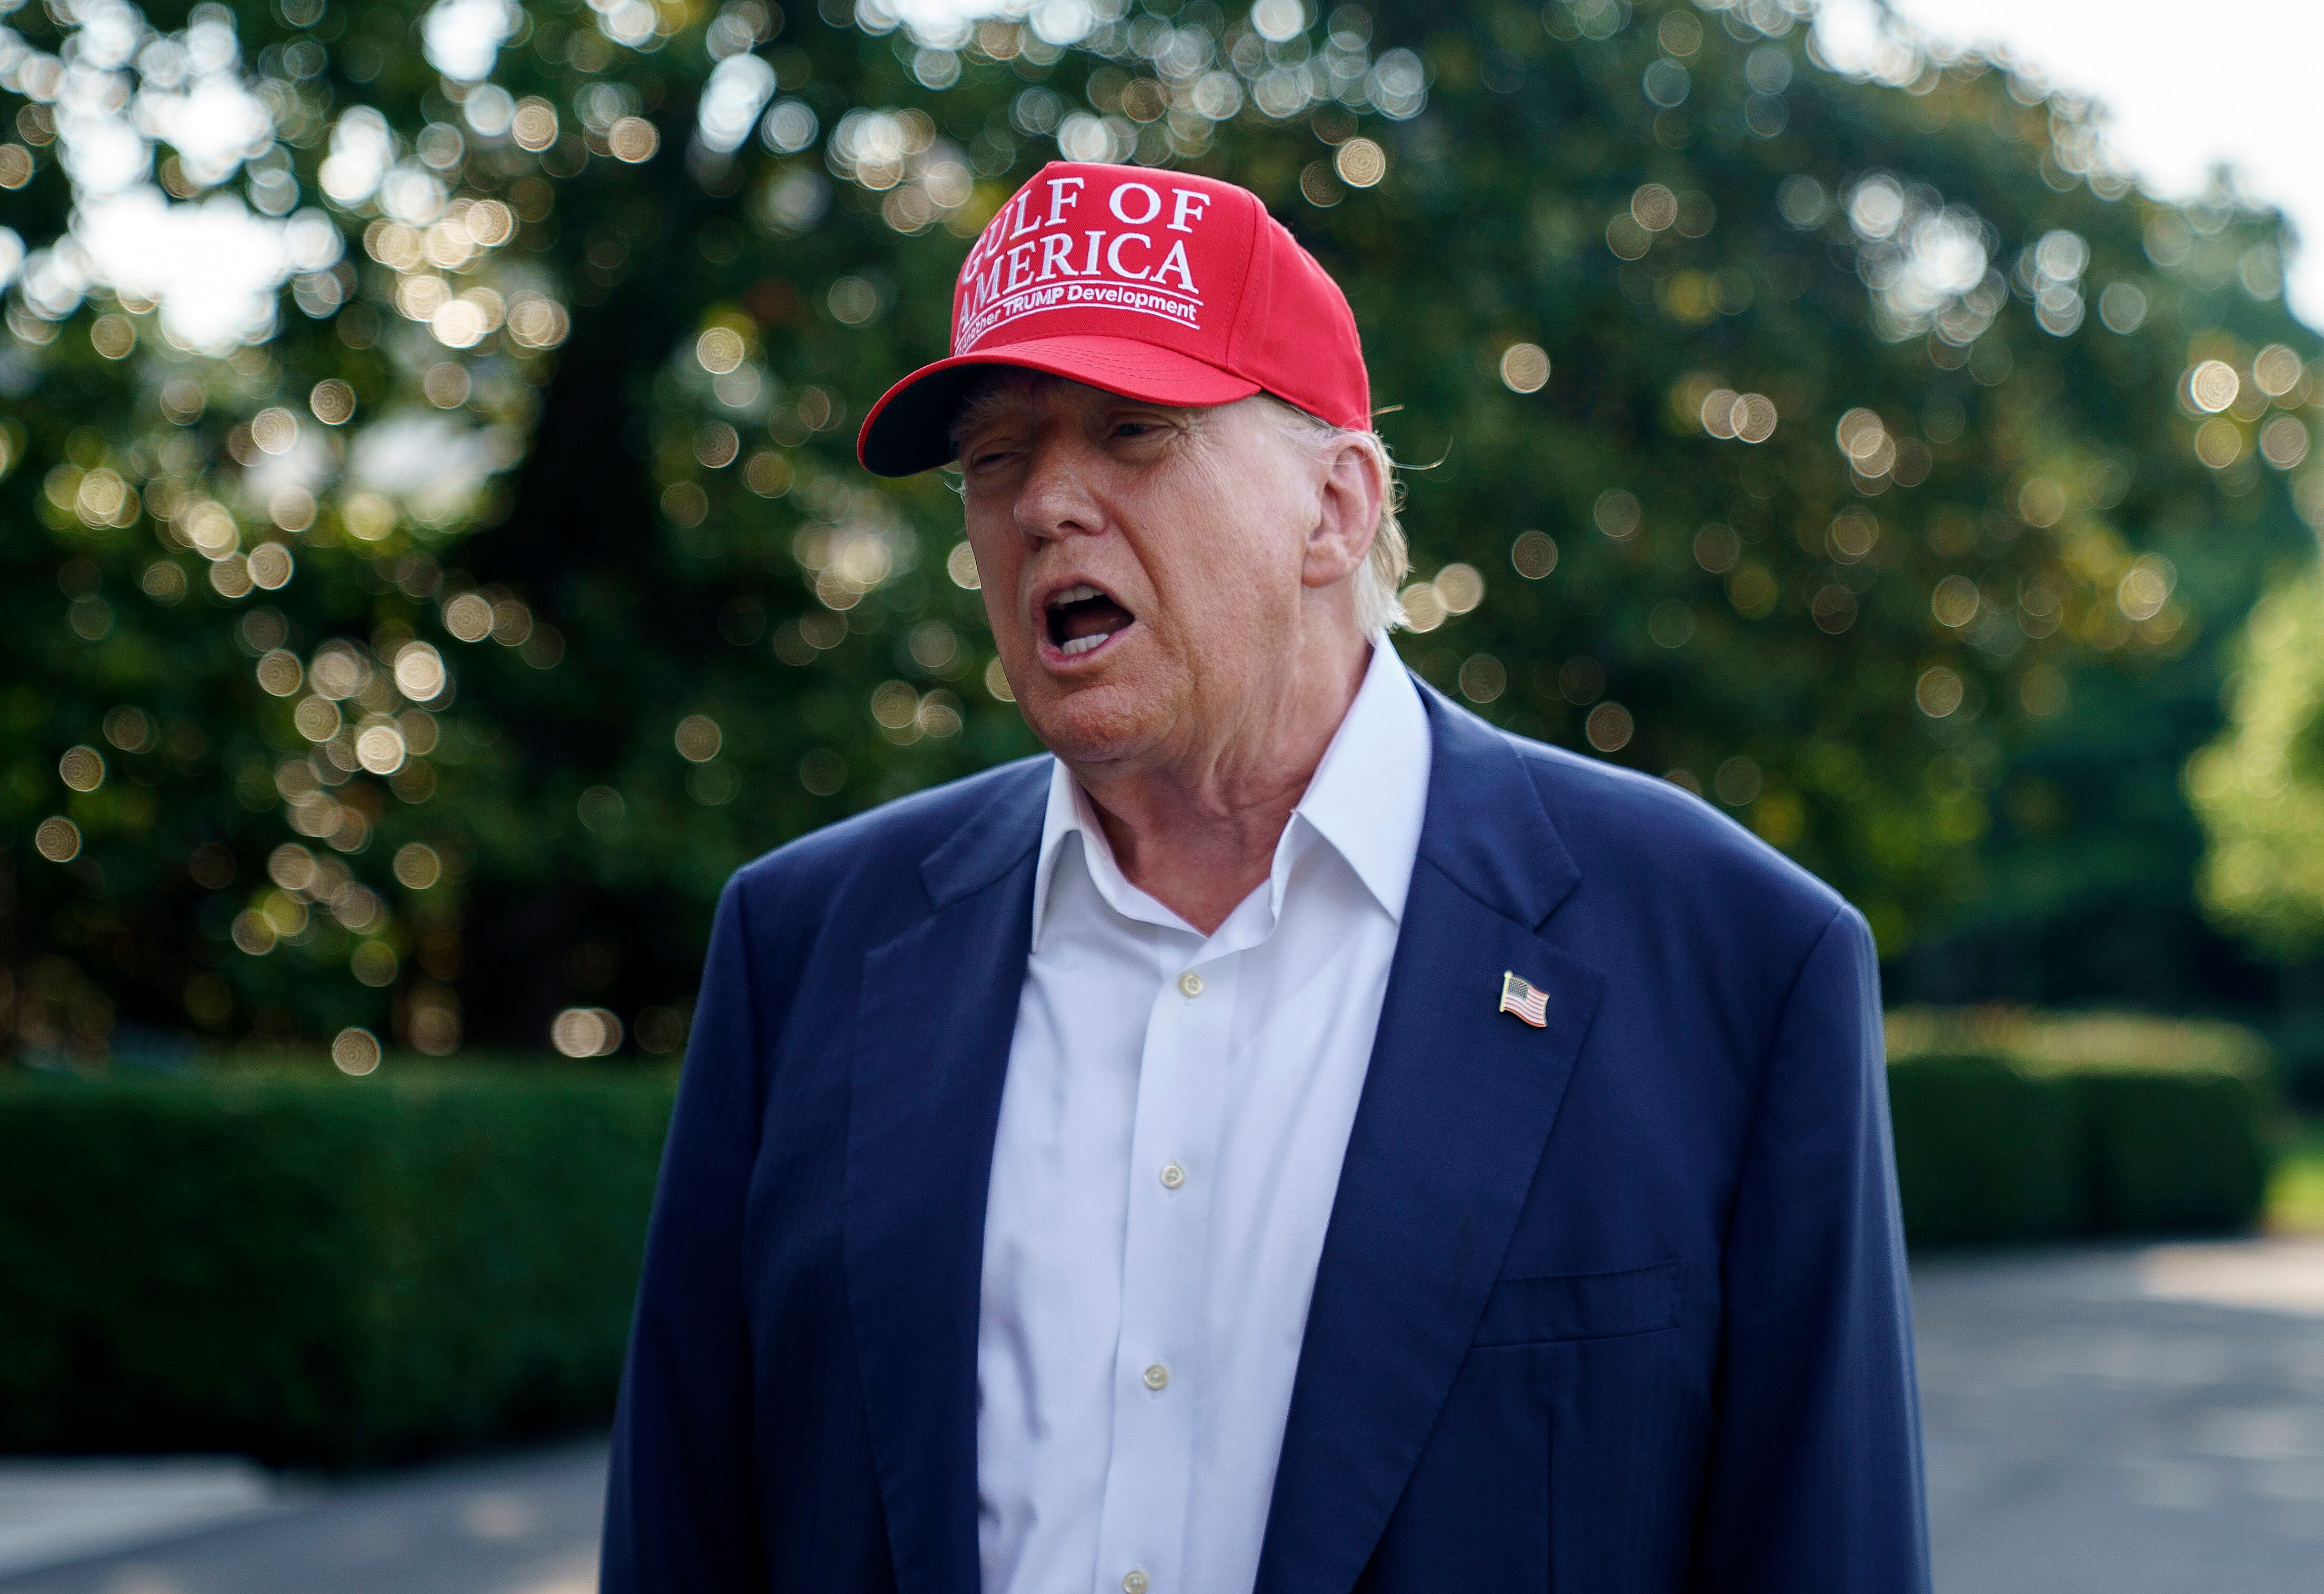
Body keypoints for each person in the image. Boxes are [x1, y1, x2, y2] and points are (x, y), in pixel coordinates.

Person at [600, 162, 1929, 1594]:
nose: (1047, 502)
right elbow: (688, 1530)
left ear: (1337, 507)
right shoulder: (802, 948)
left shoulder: (1730, 957)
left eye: (1135, 433)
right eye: (993, 459)